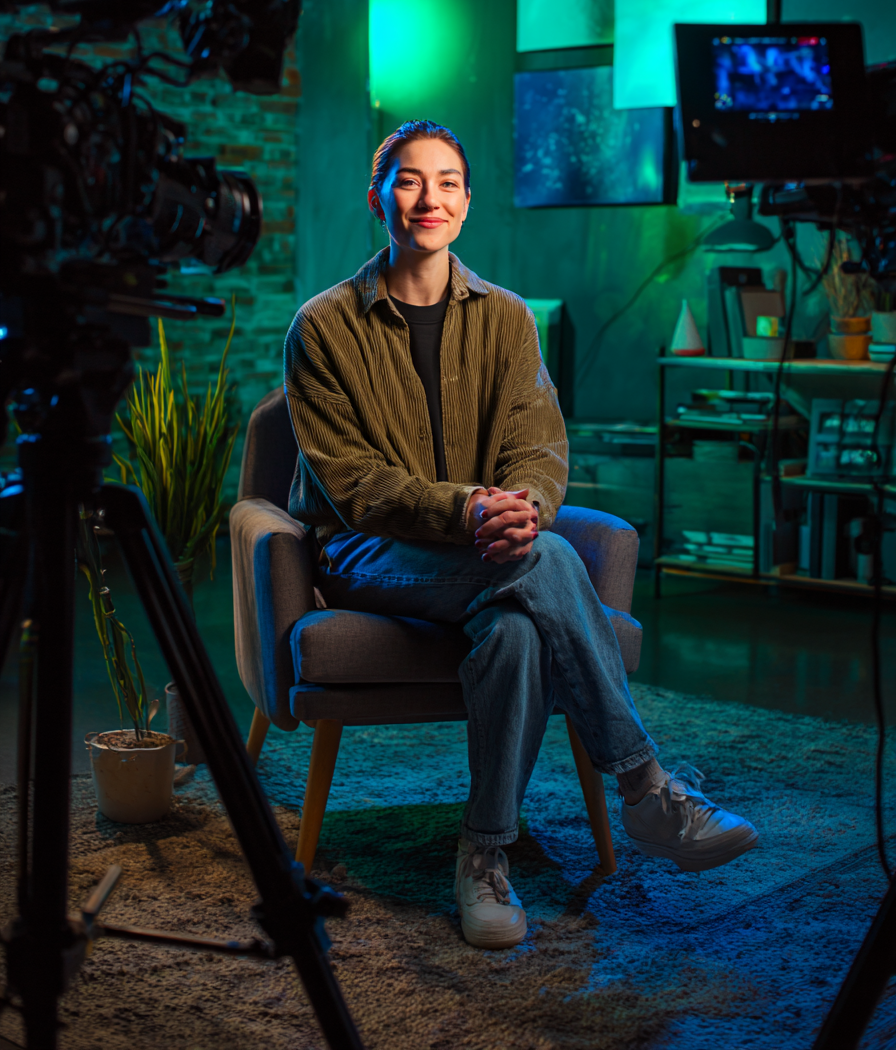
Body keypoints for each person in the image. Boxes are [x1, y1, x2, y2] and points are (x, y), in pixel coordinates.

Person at [283, 118, 758, 950]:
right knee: (543, 559)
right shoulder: (322, 328)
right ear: (377, 197)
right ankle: (645, 785)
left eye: (447, 181)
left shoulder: (506, 319)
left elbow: (538, 446)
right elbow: (354, 484)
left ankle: (483, 857)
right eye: (408, 179)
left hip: (489, 553)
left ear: (467, 201)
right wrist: (468, 509)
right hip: (367, 552)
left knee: (514, 632)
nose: (428, 197)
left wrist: (522, 507)